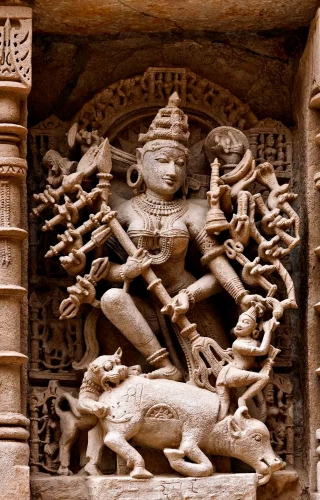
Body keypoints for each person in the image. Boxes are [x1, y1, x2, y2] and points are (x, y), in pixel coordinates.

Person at [60, 92, 263, 382]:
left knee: (222, 381)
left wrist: (206, 296)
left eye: (180, 163)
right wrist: (125, 272)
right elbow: (102, 271)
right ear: (141, 161)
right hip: (145, 310)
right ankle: (163, 364)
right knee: (113, 298)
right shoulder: (123, 211)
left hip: (191, 305)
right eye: (163, 160)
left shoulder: (194, 212)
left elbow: (218, 269)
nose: (172, 171)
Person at [216, 300, 282, 420]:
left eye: (245, 322)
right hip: (230, 373)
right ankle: (243, 399)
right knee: (264, 378)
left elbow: (258, 357)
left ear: (254, 330)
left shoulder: (253, 342)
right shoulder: (237, 344)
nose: (240, 324)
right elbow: (262, 350)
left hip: (238, 373)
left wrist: (266, 363)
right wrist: (268, 331)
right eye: (239, 321)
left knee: (224, 412)